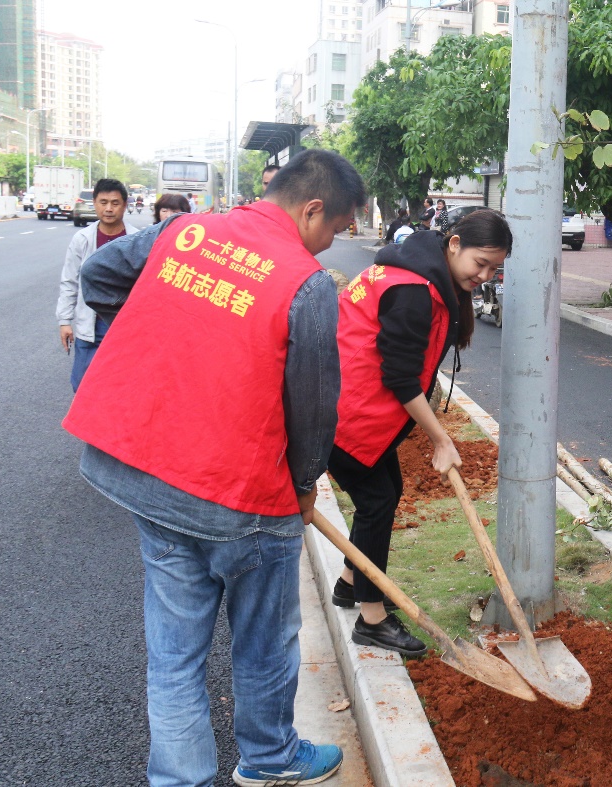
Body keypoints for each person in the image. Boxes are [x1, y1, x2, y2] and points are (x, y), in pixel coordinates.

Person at [63, 148, 367, 787]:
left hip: (157, 481)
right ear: (311, 209)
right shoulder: (304, 283)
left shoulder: (186, 231)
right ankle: (269, 757)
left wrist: (175, 321)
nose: (330, 245)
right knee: (263, 645)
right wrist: (306, 483)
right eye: (334, 229)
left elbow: (99, 277)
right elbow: (314, 406)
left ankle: (180, 780)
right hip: (245, 498)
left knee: (173, 657)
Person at [326, 209, 508, 656]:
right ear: (454, 244)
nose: (483, 276)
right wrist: (441, 439)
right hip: (346, 411)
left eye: (493, 269)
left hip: (352, 403)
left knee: (386, 490)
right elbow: (401, 378)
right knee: (376, 501)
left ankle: (351, 582)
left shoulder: (414, 269)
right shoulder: (412, 289)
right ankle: (372, 619)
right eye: (479, 263)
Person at [56, 178, 137, 392]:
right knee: (82, 386)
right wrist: (65, 320)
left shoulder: (137, 239)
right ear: (94, 203)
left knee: (120, 385)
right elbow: (69, 281)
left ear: (125, 204)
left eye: (115, 203)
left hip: (123, 325)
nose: (108, 209)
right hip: (90, 323)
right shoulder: (82, 239)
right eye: (103, 202)